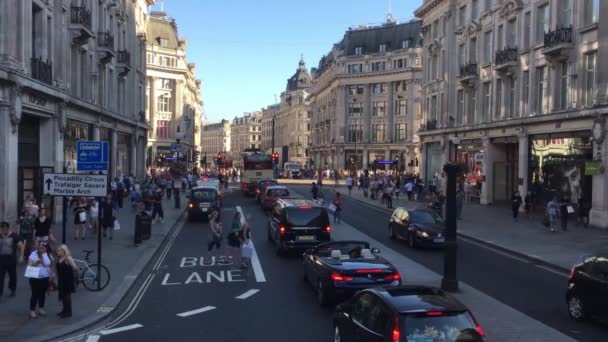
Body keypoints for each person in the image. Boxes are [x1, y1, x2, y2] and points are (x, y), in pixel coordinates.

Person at [27, 242, 53, 319]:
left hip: (45, 277)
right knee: (34, 294)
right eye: (40, 247)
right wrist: (36, 263)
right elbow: (29, 265)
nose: (41, 249)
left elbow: (52, 266)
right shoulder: (33, 254)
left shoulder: (49, 255)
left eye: (43, 248)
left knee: (42, 294)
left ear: (46, 248)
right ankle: (32, 310)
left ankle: (41, 308)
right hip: (35, 277)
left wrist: (52, 275)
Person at [0, 222, 24, 297]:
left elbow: (21, 246)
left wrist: (21, 256)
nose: (4, 230)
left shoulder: (14, 236)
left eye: (5, 229)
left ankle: (12, 289)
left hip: (11, 260)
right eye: (2, 229)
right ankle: (0, 292)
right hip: (1, 260)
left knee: (12, 276)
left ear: (8, 228)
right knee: (0, 277)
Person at [54, 244, 77, 318]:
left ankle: (68, 312)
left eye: (59, 250)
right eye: (57, 250)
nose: (57, 252)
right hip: (61, 279)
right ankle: (64, 310)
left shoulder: (68, 258)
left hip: (67, 279)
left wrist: (71, 274)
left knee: (67, 295)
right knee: (63, 295)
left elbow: (75, 267)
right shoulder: (58, 258)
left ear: (64, 251)